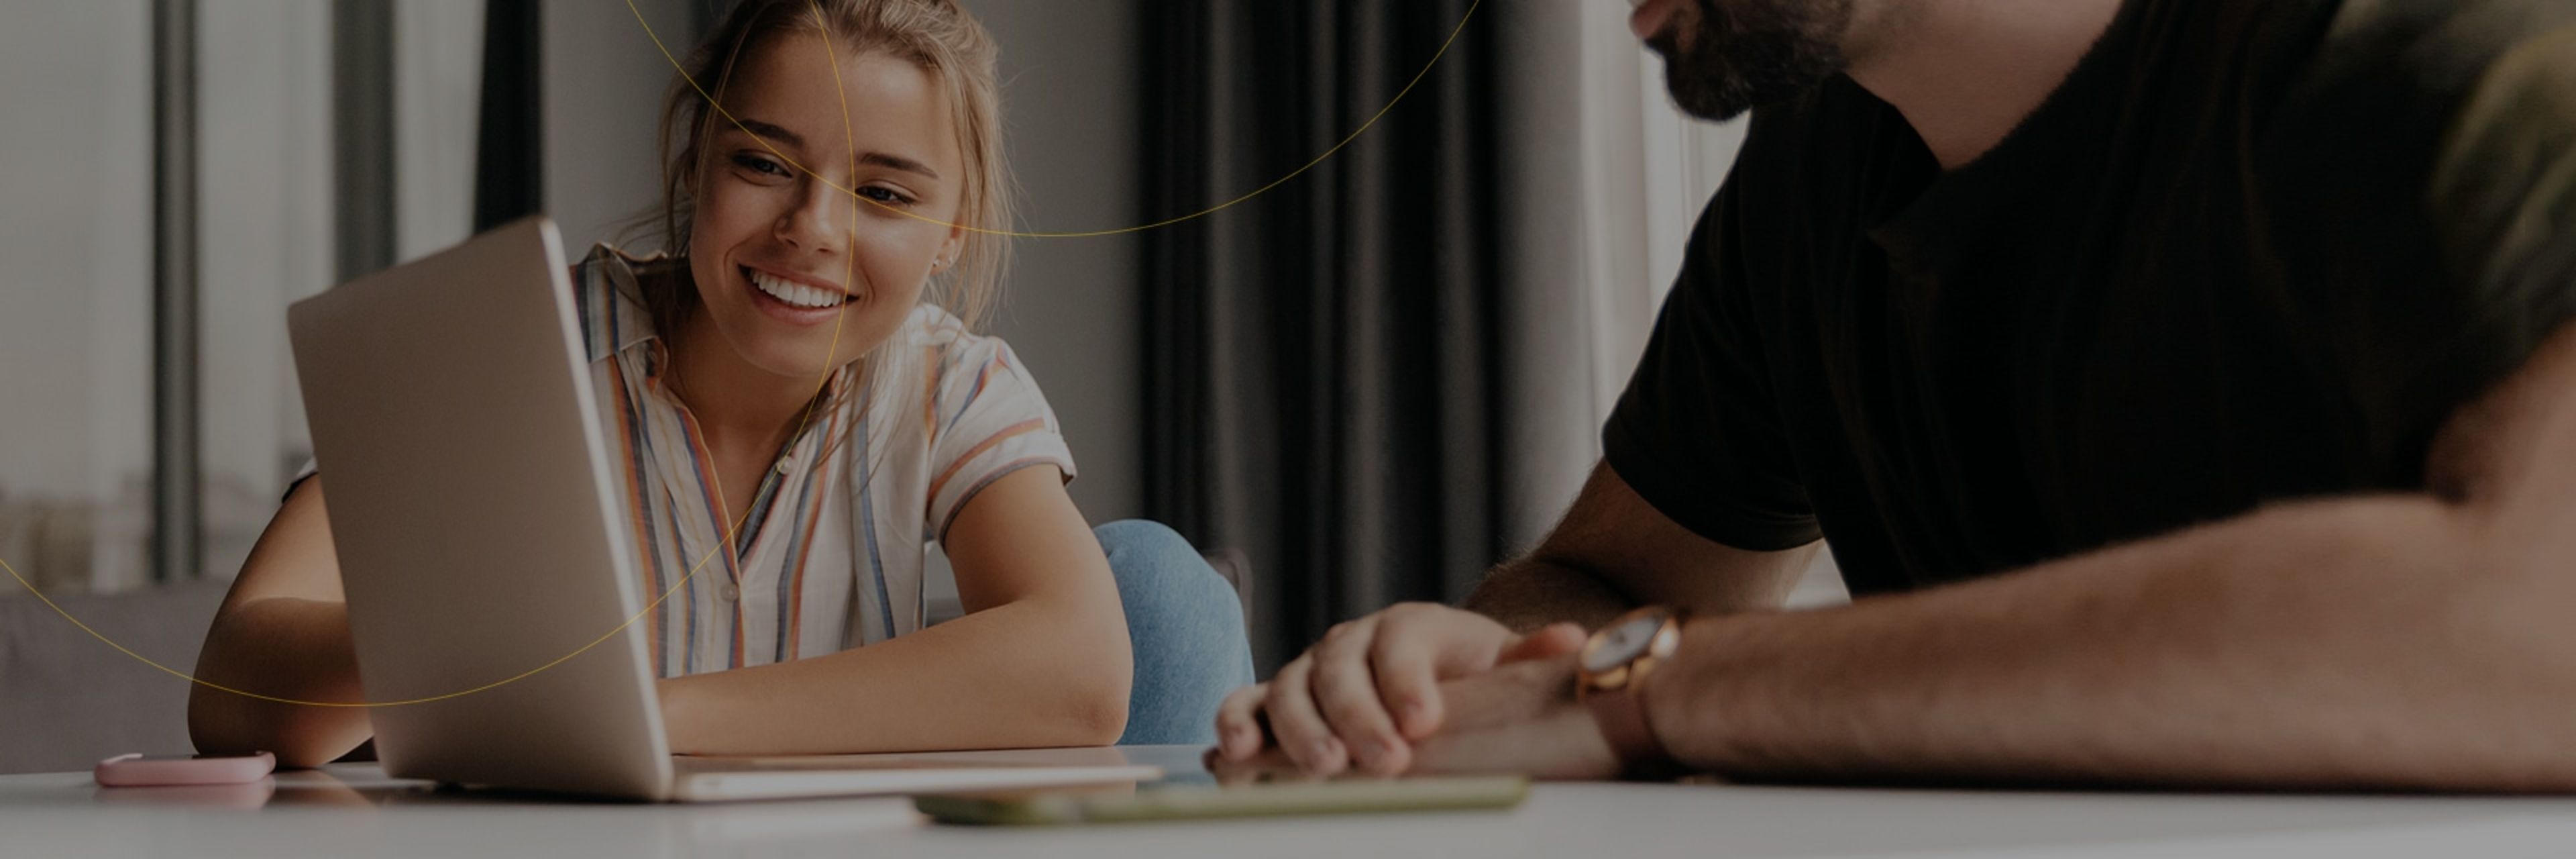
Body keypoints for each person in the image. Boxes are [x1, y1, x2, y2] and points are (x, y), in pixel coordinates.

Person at [1216, 0, 2576, 789]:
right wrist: (1451, 666)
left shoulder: (2438, 46)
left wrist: (1652, 689)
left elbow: (2542, 627)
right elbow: (1597, 582)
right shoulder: (1811, 177)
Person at [189, 0, 1251, 769]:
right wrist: (479, 638)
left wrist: (641, 712)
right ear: (695, 163)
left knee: (1152, 581)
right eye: (762, 163)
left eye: (884, 192)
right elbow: (234, 689)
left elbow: (1081, 674)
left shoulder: (947, 380)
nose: (813, 230)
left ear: (947, 239)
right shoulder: (523, 345)